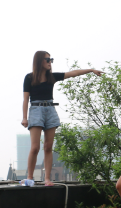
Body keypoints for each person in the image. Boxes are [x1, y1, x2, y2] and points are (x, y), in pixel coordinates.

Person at [21, 51, 102, 186]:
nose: (50, 62)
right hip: (35, 110)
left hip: (51, 110)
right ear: (40, 61)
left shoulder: (52, 77)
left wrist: (91, 70)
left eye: (51, 59)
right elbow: (25, 99)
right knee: (35, 147)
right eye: (47, 59)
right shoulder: (29, 78)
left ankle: (47, 179)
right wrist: (24, 118)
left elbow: (73, 73)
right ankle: (29, 177)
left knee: (48, 146)